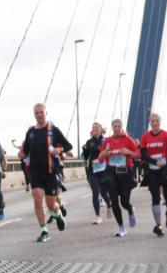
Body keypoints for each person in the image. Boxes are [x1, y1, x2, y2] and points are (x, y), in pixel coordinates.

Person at [19, 103, 72, 242]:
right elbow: (24, 151)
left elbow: (68, 146)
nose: (39, 115)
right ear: (34, 114)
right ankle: (44, 230)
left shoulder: (53, 130)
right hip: (35, 172)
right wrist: (21, 154)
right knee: (37, 199)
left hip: (50, 172)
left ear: (46, 113)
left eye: (41, 112)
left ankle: (58, 214)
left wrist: (59, 150)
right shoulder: (30, 132)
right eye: (36, 113)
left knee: (51, 205)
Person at [98, 118, 140, 238]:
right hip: (111, 173)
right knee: (114, 201)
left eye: (119, 126)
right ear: (112, 127)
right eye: (115, 126)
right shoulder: (107, 141)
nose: (116, 128)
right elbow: (100, 159)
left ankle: (131, 210)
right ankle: (121, 228)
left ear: (121, 127)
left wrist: (127, 151)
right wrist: (105, 153)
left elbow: (137, 154)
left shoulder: (128, 140)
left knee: (124, 202)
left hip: (125, 171)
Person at [140, 113, 167, 237]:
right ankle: (158, 225)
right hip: (152, 171)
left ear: (160, 122)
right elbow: (143, 155)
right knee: (155, 198)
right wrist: (156, 162)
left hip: (164, 170)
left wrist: (165, 165)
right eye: (152, 121)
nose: (155, 123)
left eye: (157, 121)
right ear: (150, 123)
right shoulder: (145, 137)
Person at [81, 122, 112, 225]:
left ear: (101, 129)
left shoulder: (107, 140)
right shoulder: (89, 142)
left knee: (104, 193)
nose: (95, 129)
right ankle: (98, 216)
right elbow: (86, 157)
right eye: (93, 127)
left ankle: (109, 204)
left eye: (97, 127)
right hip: (93, 171)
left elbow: (111, 153)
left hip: (104, 170)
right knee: (95, 192)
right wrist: (85, 150)